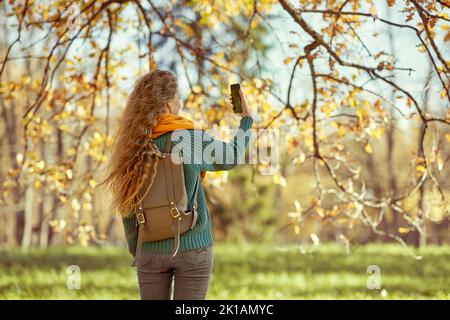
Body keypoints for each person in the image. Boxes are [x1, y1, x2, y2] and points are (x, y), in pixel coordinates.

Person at [102, 69, 253, 300]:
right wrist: (246, 120)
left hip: (150, 249)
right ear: (169, 104)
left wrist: (139, 249)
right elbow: (232, 155)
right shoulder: (189, 137)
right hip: (193, 246)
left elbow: (127, 207)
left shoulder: (132, 145)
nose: (180, 103)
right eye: (178, 98)